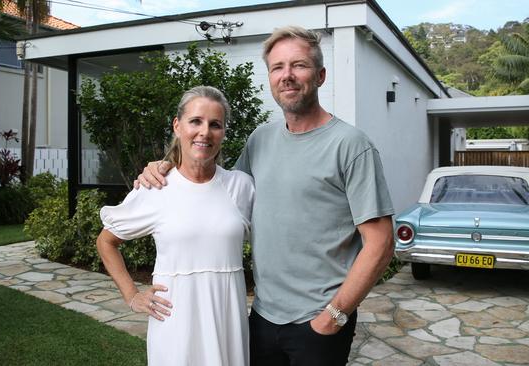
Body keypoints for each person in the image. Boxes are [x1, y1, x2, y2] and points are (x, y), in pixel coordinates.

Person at [137, 26, 394, 366]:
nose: (287, 76)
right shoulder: (261, 140)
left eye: (298, 65)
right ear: (270, 78)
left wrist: (334, 315)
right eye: (277, 67)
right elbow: (217, 184)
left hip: (318, 323)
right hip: (262, 319)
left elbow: (381, 244)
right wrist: (167, 164)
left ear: (320, 75)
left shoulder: (350, 146)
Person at [97, 86, 254, 366]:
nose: (205, 132)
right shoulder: (156, 187)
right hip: (175, 327)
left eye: (215, 124)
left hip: (228, 323)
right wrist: (132, 296)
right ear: (177, 125)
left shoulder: (240, 186)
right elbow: (106, 241)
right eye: (196, 121)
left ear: (223, 133)